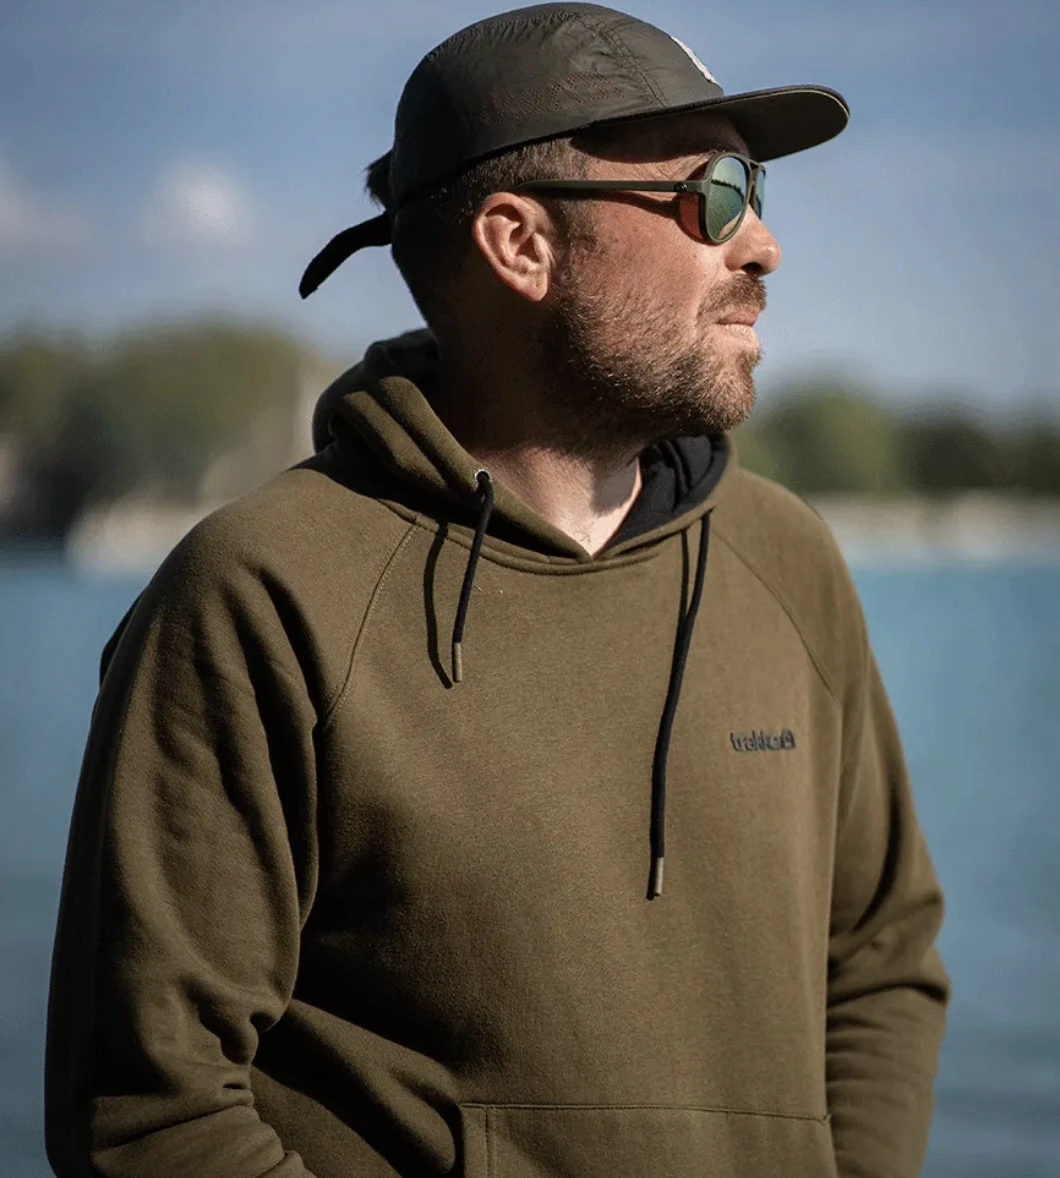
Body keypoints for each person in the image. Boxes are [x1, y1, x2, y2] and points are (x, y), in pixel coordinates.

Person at [45, 4, 950, 1177]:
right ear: (519, 244)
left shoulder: (789, 562)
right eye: (711, 196)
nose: (762, 246)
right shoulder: (258, 595)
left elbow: (878, 955)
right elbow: (150, 1114)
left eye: (756, 191)